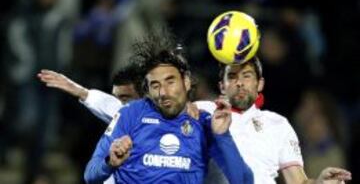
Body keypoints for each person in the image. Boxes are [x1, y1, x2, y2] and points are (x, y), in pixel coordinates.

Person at [71, 55, 351, 183]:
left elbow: (297, 182)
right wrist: (85, 94)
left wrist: (320, 182)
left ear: (260, 84)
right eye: (232, 76)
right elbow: (137, 112)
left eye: (247, 76)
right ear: (222, 84)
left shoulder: (278, 124)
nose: (239, 83)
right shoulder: (201, 111)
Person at [83, 32, 253, 184]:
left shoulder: (205, 123)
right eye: (155, 85)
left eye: (170, 82)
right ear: (147, 89)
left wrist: (223, 136)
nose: (163, 92)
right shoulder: (130, 115)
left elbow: (244, 181)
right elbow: (90, 175)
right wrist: (110, 162)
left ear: (186, 82)